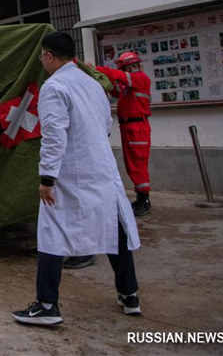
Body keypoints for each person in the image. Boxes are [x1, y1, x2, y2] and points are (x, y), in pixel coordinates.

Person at [13, 31, 142, 326]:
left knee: (52, 233)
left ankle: (47, 305)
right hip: (101, 168)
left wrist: (47, 177)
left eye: (42, 56)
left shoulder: (54, 86)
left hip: (71, 172)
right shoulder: (92, 84)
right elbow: (105, 124)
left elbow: (54, 135)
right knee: (114, 228)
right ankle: (130, 295)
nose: (42, 61)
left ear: (49, 56)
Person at [92, 51, 152, 216]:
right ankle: (141, 197)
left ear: (131, 66)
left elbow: (117, 76)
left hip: (137, 127)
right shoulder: (128, 86)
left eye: (124, 68)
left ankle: (144, 199)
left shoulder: (140, 78)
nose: (122, 71)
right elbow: (114, 88)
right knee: (131, 163)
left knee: (138, 163)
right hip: (129, 127)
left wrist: (96, 69)